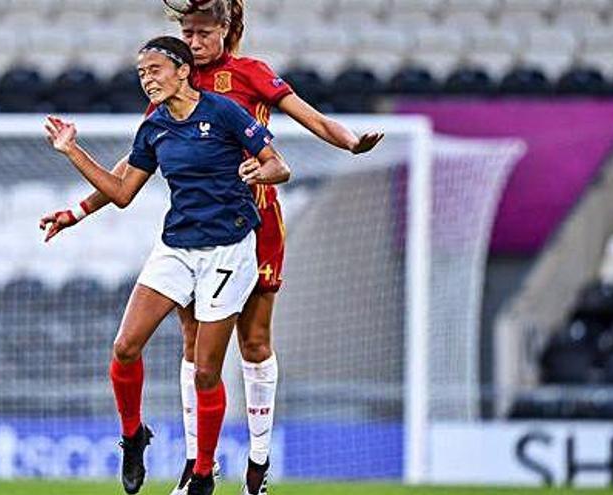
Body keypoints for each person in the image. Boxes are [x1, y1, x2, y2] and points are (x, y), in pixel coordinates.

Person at [42, 2, 382, 494]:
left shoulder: (245, 80)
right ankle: (194, 464)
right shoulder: (167, 94)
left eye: (204, 32)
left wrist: (349, 142)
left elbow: (302, 125)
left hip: (251, 222)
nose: (196, 41)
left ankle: (257, 462)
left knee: (254, 343)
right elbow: (133, 167)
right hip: (186, 236)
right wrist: (76, 210)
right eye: (188, 32)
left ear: (226, 30)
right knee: (186, 348)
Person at [41, 36, 290, 495]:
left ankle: (201, 476)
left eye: (155, 69)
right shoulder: (154, 127)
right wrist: (71, 151)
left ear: (181, 70)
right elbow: (120, 192)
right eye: (141, 74)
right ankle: (134, 436)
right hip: (177, 246)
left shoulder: (224, 112)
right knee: (125, 347)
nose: (147, 79)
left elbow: (279, 166)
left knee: (206, 372)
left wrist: (261, 171)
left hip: (229, 249)